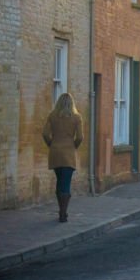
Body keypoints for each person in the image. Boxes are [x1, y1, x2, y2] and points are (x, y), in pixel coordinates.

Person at [42, 92, 84, 223]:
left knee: (60, 181)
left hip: (55, 151)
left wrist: (51, 144)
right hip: (68, 153)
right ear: (72, 104)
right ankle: (63, 213)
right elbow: (80, 137)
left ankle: (61, 210)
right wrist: (74, 146)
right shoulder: (76, 118)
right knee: (65, 183)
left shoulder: (52, 116)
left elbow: (45, 133)